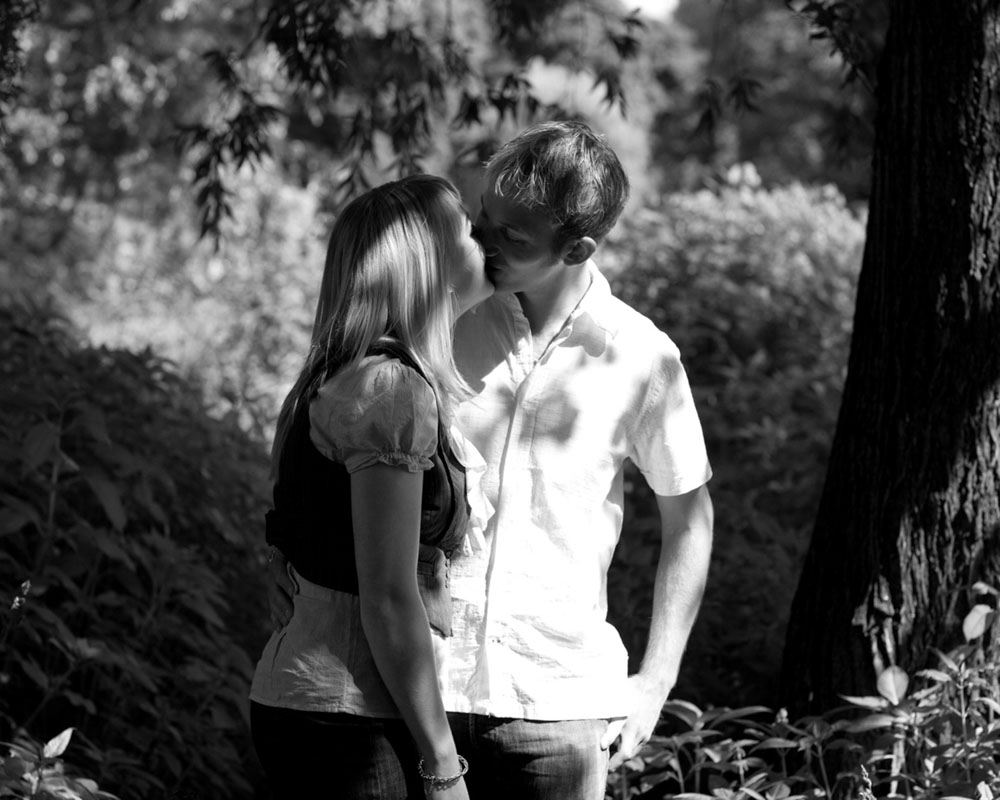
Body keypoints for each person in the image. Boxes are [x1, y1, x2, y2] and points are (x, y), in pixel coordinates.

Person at [270, 121, 714, 800]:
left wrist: (655, 681)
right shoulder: (439, 316)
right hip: (411, 700)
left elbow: (690, 519)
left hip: (557, 706)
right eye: (483, 219)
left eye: (514, 236)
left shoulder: (644, 358)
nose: (483, 240)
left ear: (579, 248)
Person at [249, 174, 493, 800]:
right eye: (468, 229)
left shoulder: (334, 381)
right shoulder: (390, 393)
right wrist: (443, 764)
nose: (483, 238)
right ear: (429, 266)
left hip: (318, 703)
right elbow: (388, 597)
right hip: (346, 717)